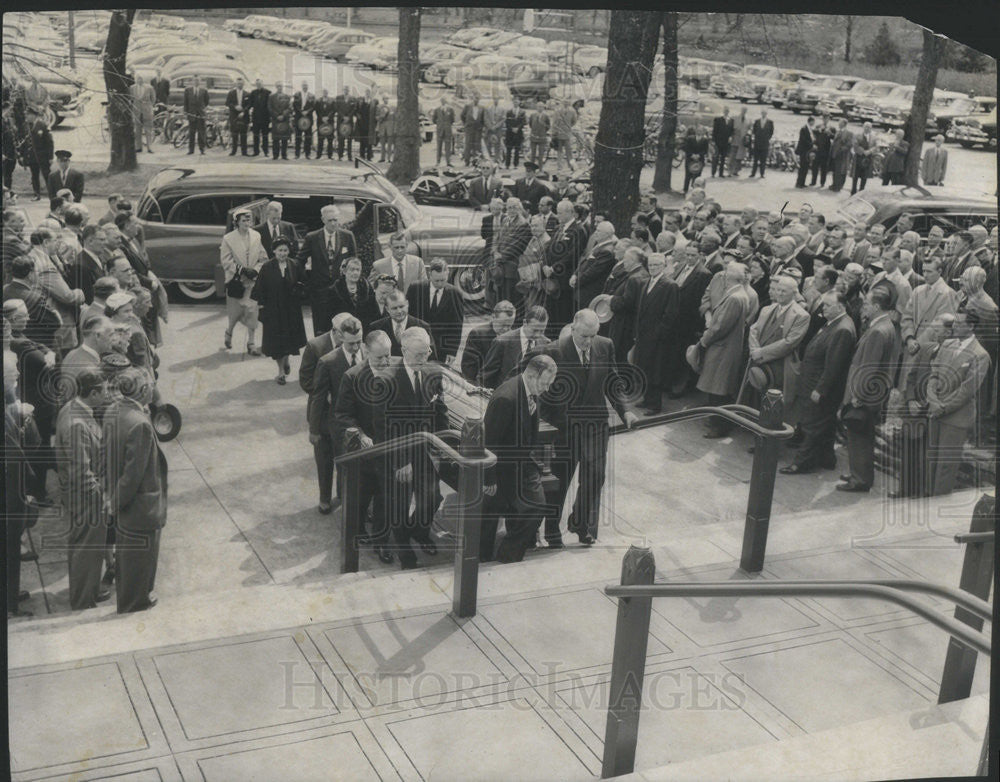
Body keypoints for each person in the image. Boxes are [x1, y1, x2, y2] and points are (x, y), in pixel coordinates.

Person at [538, 309, 638, 546]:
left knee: (595, 476)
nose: (588, 341)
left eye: (593, 335)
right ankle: (552, 531)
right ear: (573, 328)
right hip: (564, 429)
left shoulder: (605, 345)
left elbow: (613, 382)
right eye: (584, 336)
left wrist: (626, 411)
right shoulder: (553, 351)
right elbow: (542, 395)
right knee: (558, 483)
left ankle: (582, 525)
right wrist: (541, 430)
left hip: (595, 426)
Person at [376, 327, 449, 569]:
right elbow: (384, 427)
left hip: (424, 449)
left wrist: (443, 445)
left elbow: (440, 412)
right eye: (418, 355)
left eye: (426, 352)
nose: (423, 358)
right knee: (399, 502)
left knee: (432, 498)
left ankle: (418, 531)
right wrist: (401, 461)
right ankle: (404, 550)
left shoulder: (433, 373)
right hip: (398, 452)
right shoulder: (386, 380)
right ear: (404, 351)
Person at [481, 354, 559, 563]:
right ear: (532, 376)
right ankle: (486, 560)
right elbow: (489, 443)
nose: (547, 389)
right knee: (488, 519)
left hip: (521, 464)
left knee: (536, 506)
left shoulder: (531, 390)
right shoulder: (506, 398)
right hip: (500, 469)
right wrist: (489, 479)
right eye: (545, 383)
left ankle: (508, 555)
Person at [102, 367, 167, 613]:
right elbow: (133, 476)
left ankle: (135, 600)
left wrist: (111, 499)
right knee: (140, 565)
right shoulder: (139, 424)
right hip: (140, 508)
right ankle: (136, 605)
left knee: (129, 564)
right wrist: (117, 502)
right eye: (150, 384)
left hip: (123, 505)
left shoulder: (113, 411)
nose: (154, 387)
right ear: (142, 391)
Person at [780, 291, 857, 475]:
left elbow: (833, 366)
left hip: (820, 386)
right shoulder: (834, 324)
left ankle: (802, 462)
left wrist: (820, 389)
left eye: (828, 306)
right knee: (824, 423)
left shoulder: (843, 329)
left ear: (840, 307)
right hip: (812, 382)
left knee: (813, 425)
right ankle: (826, 457)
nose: (824, 309)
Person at [334, 329, 395, 563]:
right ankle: (356, 531)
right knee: (361, 496)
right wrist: (360, 435)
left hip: (390, 448)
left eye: (388, 355)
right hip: (365, 452)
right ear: (366, 352)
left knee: (385, 498)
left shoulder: (396, 369)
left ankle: (382, 543)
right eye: (379, 357)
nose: (386, 361)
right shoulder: (352, 377)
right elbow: (343, 414)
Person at [836, 285, 900, 493]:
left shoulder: (878, 331)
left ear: (876, 306)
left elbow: (869, 367)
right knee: (860, 437)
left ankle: (860, 479)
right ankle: (859, 473)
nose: (863, 308)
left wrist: (858, 396)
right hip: (872, 394)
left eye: (867, 304)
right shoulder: (885, 326)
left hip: (864, 395)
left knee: (859, 438)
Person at [55, 369, 111, 610]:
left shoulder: (72, 409)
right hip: (86, 499)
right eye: (105, 390)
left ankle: (88, 589)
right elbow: (82, 472)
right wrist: (101, 498)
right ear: (94, 393)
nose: (108, 394)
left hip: (79, 496)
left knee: (85, 548)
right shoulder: (77, 423)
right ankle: (82, 601)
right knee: (85, 549)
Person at [925, 310, 990, 495]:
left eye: (960, 323)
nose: (954, 326)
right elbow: (934, 374)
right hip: (936, 412)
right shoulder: (947, 344)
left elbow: (967, 390)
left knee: (946, 466)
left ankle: (938, 504)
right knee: (931, 461)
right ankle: (928, 500)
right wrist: (933, 400)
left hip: (955, 418)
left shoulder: (980, 355)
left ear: (971, 326)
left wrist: (942, 407)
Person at [310, 316, 365, 513]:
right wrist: (314, 429)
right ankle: (325, 498)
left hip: (360, 420)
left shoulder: (368, 354)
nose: (356, 347)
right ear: (340, 337)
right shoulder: (328, 361)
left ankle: (345, 497)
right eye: (351, 343)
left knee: (349, 465)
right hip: (333, 422)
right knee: (327, 462)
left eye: (359, 341)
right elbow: (317, 396)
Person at [695, 261, 754, 436]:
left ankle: (719, 425)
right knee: (718, 388)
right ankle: (718, 421)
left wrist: (704, 341)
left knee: (719, 389)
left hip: (723, 349)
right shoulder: (738, 294)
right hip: (725, 348)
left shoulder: (735, 297)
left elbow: (720, 327)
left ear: (729, 277)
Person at [747, 274, 810, 409]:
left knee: (772, 400)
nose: (779, 294)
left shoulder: (801, 315)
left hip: (779, 365)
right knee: (753, 393)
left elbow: (789, 343)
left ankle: (765, 427)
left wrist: (761, 353)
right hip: (757, 359)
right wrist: (754, 350)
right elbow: (754, 329)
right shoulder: (767, 309)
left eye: (784, 291)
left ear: (794, 293)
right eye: (778, 290)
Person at [251, 237, 307, 384]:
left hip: (290, 310)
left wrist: (299, 290)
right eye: (280, 250)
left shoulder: (294, 265)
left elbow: (303, 283)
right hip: (273, 310)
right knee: (276, 341)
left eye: (285, 250)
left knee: (288, 340)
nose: (282, 253)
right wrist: (261, 307)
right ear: (274, 251)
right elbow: (259, 290)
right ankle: (281, 371)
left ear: (289, 251)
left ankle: (286, 361)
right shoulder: (267, 267)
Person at [297, 204, 358, 335]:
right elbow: (299, 261)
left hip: (341, 290)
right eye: (330, 220)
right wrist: (306, 280)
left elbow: (354, 262)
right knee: (321, 327)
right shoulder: (312, 237)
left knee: (343, 326)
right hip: (319, 291)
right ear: (323, 220)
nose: (333, 223)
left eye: (335, 220)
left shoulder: (347, 236)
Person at [632, 252, 679, 414]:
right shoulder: (646, 283)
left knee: (655, 371)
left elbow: (670, 314)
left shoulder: (669, 285)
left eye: (656, 265)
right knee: (645, 368)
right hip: (644, 334)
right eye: (650, 265)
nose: (652, 268)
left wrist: (658, 334)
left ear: (663, 266)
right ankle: (646, 398)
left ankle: (655, 404)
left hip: (657, 337)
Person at [220, 208, 267, 355]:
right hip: (237, 282)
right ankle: (229, 332)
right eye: (244, 220)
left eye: (249, 220)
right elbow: (226, 261)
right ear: (237, 222)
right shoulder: (228, 238)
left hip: (252, 281)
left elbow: (263, 257)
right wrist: (241, 270)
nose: (247, 223)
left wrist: (256, 269)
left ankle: (251, 343)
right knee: (235, 313)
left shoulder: (256, 236)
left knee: (252, 312)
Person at [542, 199, 587, 337]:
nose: (558, 215)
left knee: (562, 312)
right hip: (552, 278)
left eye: (560, 213)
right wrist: (544, 264)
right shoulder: (559, 228)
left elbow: (573, 254)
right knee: (551, 311)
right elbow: (548, 248)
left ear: (570, 213)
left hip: (564, 278)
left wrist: (554, 268)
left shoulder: (578, 230)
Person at [405, 258, 464, 361]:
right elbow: (407, 317)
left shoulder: (455, 294)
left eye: (443, 280)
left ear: (448, 274)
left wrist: (452, 351)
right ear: (429, 275)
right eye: (437, 280)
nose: (440, 284)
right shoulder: (415, 289)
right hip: (415, 344)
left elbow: (456, 325)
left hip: (440, 349)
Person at [481, 305, 550, 389]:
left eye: (542, 331)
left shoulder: (546, 344)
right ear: (525, 323)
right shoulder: (502, 342)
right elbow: (485, 377)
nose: (538, 335)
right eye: (535, 330)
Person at [607, 246, 650, 363]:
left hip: (624, 324)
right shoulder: (643, 274)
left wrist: (611, 300)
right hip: (632, 324)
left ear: (633, 261)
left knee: (620, 356)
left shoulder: (634, 278)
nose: (623, 262)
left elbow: (627, 303)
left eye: (625, 259)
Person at [461, 300, 515, 384]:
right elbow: (468, 367)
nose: (506, 329)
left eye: (509, 326)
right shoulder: (478, 334)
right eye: (502, 325)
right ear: (493, 317)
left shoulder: (513, 337)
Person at [572, 221, 617, 313]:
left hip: (590, 291)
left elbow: (593, 272)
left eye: (599, 231)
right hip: (582, 289)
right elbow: (585, 261)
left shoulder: (607, 251)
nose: (595, 233)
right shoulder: (599, 246)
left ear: (607, 234)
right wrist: (575, 274)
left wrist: (577, 281)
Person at [329, 255, 381, 330]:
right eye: (352, 270)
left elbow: (374, 310)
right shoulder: (335, 290)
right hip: (343, 329)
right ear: (344, 271)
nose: (355, 273)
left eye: (358, 270)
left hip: (364, 328)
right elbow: (330, 315)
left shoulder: (366, 287)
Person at [369, 230, 426, 296]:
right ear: (390, 247)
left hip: (412, 304)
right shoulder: (378, 266)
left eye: (402, 247)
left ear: (406, 246)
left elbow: (424, 286)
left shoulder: (418, 263)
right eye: (396, 247)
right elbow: (371, 289)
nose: (400, 250)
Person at [516, 214, 550, 311]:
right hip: (527, 279)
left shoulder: (546, 240)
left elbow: (538, 259)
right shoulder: (534, 238)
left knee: (533, 307)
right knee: (527, 306)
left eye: (536, 226)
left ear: (543, 226)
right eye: (532, 225)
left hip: (536, 281)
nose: (533, 228)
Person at [183, 77, 210, 155]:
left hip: (201, 114)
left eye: (198, 81)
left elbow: (206, 102)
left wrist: (202, 110)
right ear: (192, 82)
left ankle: (202, 149)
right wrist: (186, 112)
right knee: (191, 133)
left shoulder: (204, 90)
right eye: (195, 81)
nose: (196, 82)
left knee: (201, 133)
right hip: (191, 114)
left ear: (200, 82)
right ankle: (191, 150)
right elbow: (185, 102)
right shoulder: (188, 90)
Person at [225, 77, 251, 157]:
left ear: (243, 84)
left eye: (241, 83)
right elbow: (227, 103)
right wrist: (235, 107)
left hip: (244, 116)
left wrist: (244, 111)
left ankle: (244, 152)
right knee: (234, 134)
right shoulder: (231, 93)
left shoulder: (247, 94)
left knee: (243, 134)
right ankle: (234, 151)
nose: (240, 85)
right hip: (234, 116)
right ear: (236, 84)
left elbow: (249, 105)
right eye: (238, 83)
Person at [130, 75, 155, 153]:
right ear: (136, 79)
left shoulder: (149, 88)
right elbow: (131, 99)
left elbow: (153, 99)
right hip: (137, 111)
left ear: (144, 79)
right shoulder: (132, 88)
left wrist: (149, 107)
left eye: (141, 78)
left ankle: (149, 147)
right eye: (138, 78)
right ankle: (138, 147)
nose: (140, 80)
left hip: (147, 111)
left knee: (148, 130)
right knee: (137, 129)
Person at [268, 82, 292, 160]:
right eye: (278, 86)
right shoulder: (271, 97)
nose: (279, 88)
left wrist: (283, 115)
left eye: (281, 86)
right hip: (276, 120)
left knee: (284, 139)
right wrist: (277, 115)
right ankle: (275, 155)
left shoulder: (287, 97)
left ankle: (284, 155)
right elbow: (269, 108)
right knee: (276, 139)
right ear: (276, 87)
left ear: (282, 87)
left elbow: (290, 107)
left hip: (284, 119)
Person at [829, 119, 854, 193]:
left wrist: (841, 149)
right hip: (834, 154)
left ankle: (838, 186)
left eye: (840, 123)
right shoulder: (838, 131)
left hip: (842, 155)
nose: (839, 124)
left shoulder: (849, 133)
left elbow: (849, 144)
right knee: (835, 170)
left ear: (844, 124)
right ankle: (834, 184)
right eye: (839, 122)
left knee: (841, 171)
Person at [551, 99, 577, 170]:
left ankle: (571, 166)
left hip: (567, 133)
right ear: (562, 103)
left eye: (567, 102)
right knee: (559, 151)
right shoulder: (557, 111)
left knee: (569, 151)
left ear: (569, 103)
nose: (566, 103)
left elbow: (574, 121)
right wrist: (554, 132)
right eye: (565, 102)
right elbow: (554, 122)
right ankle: (560, 166)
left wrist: (568, 127)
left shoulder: (572, 111)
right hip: (559, 133)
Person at [851, 121, 876, 195]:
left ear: (871, 128)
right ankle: (853, 191)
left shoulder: (873, 137)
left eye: (869, 127)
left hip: (868, 159)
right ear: (863, 127)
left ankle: (861, 192)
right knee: (855, 176)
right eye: (866, 127)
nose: (867, 128)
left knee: (864, 176)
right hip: (859, 157)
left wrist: (870, 151)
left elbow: (876, 146)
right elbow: (855, 145)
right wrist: (863, 151)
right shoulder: (857, 135)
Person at [293, 82, 315, 160]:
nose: (305, 87)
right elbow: (294, 105)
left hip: (308, 119)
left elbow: (313, 106)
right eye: (304, 85)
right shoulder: (297, 94)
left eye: (306, 85)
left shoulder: (311, 95)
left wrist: (307, 112)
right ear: (301, 86)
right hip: (299, 118)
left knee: (308, 137)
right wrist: (301, 112)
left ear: (308, 87)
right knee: (298, 137)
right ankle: (297, 154)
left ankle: (307, 154)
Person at [249, 78, 271, 157]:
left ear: (263, 84)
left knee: (265, 135)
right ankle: (256, 151)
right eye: (257, 84)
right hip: (256, 117)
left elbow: (270, 106)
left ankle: (266, 151)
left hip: (265, 117)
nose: (258, 85)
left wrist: (270, 117)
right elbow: (250, 104)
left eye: (260, 84)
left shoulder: (268, 92)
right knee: (255, 135)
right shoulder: (253, 93)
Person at [682, 127, 708, 193]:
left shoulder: (705, 140)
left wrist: (699, 155)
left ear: (703, 132)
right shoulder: (690, 138)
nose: (699, 132)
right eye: (698, 130)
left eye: (701, 131)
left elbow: (705, 150)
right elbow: (687, 148)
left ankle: (695, 189)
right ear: (696, 131)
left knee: (697, 174)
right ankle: (685, 189)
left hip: (699, 159)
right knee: (688, 174)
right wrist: (692, 155)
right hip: (690, 158)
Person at [749, 110, 774, 179]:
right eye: (762, 113)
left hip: (765, 143)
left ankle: (762, 174)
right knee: (755, 160)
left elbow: (771, 132)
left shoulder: (770, 122)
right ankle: (753, 173)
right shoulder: (757, 121)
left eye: (765, 113)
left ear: (766, 114)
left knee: (763, 160)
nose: (763, 114)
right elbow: (754, 131)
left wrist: (767, 138)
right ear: (761, 113)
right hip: (757, 143)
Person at [461, 95, 485, 166]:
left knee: (477, 145)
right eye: (475, 98)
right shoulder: (467, 106)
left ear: (479, 99)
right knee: (468, 144)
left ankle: (475, 161)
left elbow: (483, 119)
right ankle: (467, 161)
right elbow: (462, 115)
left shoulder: (482, 108)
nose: (476, 100)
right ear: (472, 98)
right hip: (469, 128)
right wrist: (466, 124)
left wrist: (481, 126)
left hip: (478, 129)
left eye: (478, 98)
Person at [810, 115, 833, 187]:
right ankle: (813, 181)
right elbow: (813, 133)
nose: (825, 120)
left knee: (824, 168)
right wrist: (819, 130)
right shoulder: (818, 126)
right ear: (822, 119)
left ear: (829, 119)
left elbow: (834, 137)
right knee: (815, 167)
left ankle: (822, 182)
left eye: (827, 119)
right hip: (818, 149)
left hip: (826, 150)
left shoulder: (831, 128)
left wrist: (830, 133)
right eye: (824, 119)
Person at [431, 97, 455, 166]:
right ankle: (438, 161)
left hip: (447, 130)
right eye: (442, 100)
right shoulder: (437, 109)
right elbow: (434, 119)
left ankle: (448, 162)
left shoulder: (450, 109)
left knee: (448, 146)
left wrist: (447, 125)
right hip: (440, 129)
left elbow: (452, 119)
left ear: (446, 101)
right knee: (439, 146)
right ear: (440, 101)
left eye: (444, 100)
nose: (443, 102)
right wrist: (439, 124)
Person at [504, 98, 527, 169]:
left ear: (519, 103)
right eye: (514, 102)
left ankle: (515, 164)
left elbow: (524, 122)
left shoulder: (523, 112)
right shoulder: (509, 112)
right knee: (509, 149)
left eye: (517, 102)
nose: (515, 103)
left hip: (518, 133)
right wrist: (512, 128)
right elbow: (507, 122)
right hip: (510, 133)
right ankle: (507, 164)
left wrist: (518, 128)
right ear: (513, 103)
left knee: (517, 149)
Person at [711, 107, 734, 178]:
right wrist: (714, 141)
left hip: (726, 142)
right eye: (725, 111)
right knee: (716, 158)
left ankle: (721, 173)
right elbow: (715, 131)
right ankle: (713, 173)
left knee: (723, 158)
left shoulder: (731, 120)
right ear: (723, 111)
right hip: (718, 142)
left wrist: (731, 137)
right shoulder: (718, 119)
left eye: (727, 111)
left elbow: (732, 130)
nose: (726, 112)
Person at [315, 88, 337, 161]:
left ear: (327, 93)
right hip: (321, 122)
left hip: (329, 122)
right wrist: (322, 118)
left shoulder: (332, 100)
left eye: (326, 92)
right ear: (322, 93)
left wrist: (328, 117)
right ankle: (319, 155)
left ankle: (330, 155)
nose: (325, 93)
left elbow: (334, 110)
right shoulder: (318, 100)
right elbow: (317, 110)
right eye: (323, 92)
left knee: (330, 140)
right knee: (320, 139)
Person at [794, 116, 815, 189]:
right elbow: (803, 140)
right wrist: (812, 145)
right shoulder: (804, 129)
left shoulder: (810, 129)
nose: (814, 123)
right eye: (813, 121)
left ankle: (802, 182)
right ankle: (799, 183)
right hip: (803, 151)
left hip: (807, 151)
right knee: (802, 167)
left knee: (805, 167)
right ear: (810, 121)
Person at [528, 101, 550, 168]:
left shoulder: (546, 116)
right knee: (533, 154)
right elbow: (530, 125)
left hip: (542, 137)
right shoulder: (532, 115)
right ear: (536, 107)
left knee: (541, 154)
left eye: (541, 107)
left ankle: (540, 168)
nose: (540, 108)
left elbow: (548, 126)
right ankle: (532, 168)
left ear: (543, 108)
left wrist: (543, 130)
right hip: (533, 136)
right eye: (539, 106)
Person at [483, 96, 505, 161]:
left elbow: (503, 119)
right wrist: (490, 126)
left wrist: (496, 126)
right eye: (495, 99)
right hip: (489, 130)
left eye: (497, 99)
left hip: (497, 130)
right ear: (493, 100)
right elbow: (485, 118)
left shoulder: (502, 109)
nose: (496, 100)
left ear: (499, 100)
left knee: (497, 145)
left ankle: (497, 159)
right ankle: (488, 159)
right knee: (488, 144)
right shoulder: (488, 108)